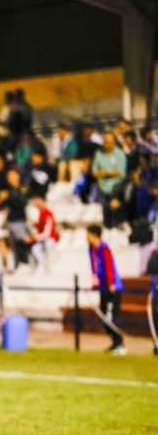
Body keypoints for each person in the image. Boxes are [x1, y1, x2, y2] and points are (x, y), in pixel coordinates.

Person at [86, 224, 126, 355]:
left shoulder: (105, 248)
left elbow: (109, 267)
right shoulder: (91, 249)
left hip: (113, 287)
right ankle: (115, 342)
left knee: (112, 315)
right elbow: (94, 267)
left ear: (94, 235)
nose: (87, 236)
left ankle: (120, 343)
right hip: (103, 287)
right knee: (104, 315)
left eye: (88, 233)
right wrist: (95, 283)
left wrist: (111, 284)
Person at [92, 133, 127, 228]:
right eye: (104, 142)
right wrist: (101, 175)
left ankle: (119, 223)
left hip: (117, 185)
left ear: (113, 142)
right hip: (102, 185)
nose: (105, 144)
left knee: (115, 202)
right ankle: (107, 224)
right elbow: (94, 171)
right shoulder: (98, 153)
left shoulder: (119, 154)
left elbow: (120, 172)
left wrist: (105, 173)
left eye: (108, 142)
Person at [26, 195, 59, 273]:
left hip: (50, 238)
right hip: (44, 239)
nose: (36, 204)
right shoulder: (41, 213)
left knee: (36, 248)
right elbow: (41, 228)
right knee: (34, 248)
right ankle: (39, 265)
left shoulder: (47, 213)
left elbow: (47, 233)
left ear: (43, 202)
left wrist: (33, 238)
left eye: (38, 202)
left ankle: (42, 265)